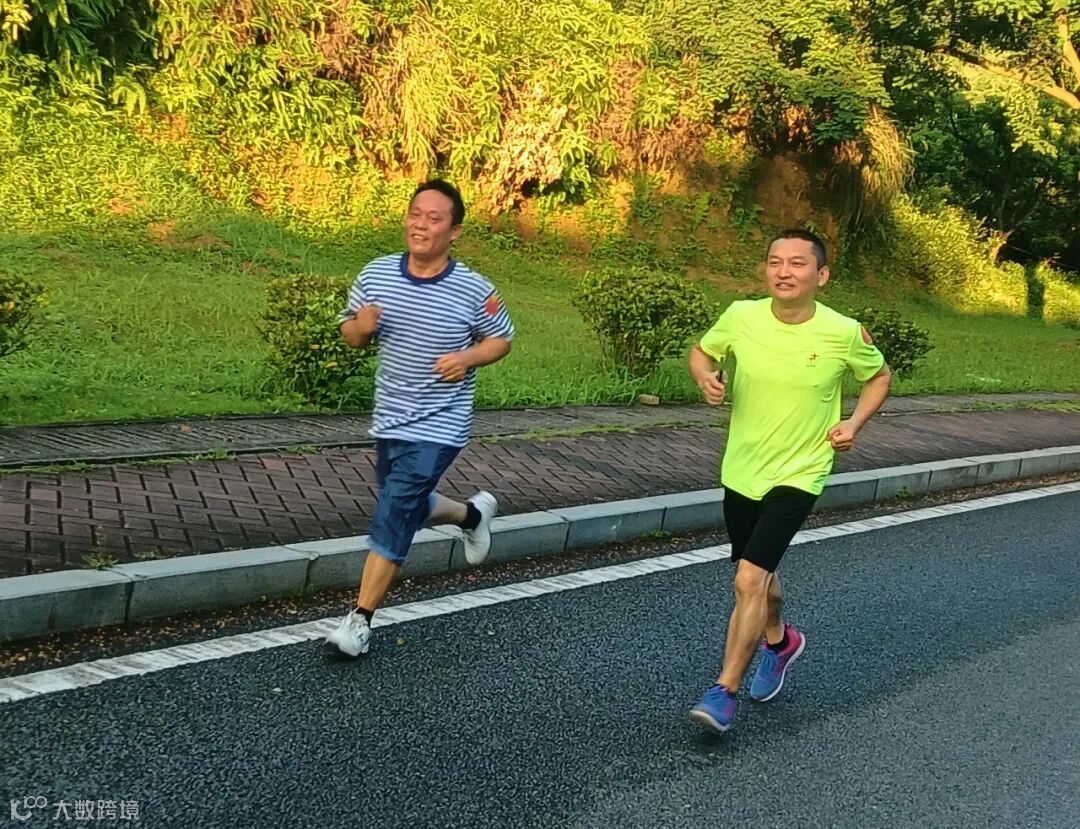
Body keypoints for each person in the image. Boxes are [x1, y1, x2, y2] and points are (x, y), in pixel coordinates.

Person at [686, 229, 891, 732]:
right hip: (742, 468)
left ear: (821, 275)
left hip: (802, 470)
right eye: (775, 261)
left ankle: (723, 692)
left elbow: (879, 376)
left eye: (798, 263)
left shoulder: (844, 331)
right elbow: (702, 352)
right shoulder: (741, 315)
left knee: (747, 579)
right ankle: (780, 642)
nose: (783, 271)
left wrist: (853, 423)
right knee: (761, 575)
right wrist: (705, 376)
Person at [325, 180, 515, 657]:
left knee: (395, 510)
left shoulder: (474, 289)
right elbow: (351, 333)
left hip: (442, 423)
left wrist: (467, 358)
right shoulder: (377, 274)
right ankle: (472, 515)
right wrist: (360, 327)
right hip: (391, 417)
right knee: (406, 499)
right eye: (415, 214)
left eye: (434, 218)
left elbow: (501, 339)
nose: (421, 225)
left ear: (455, 231)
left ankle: (359, 621)